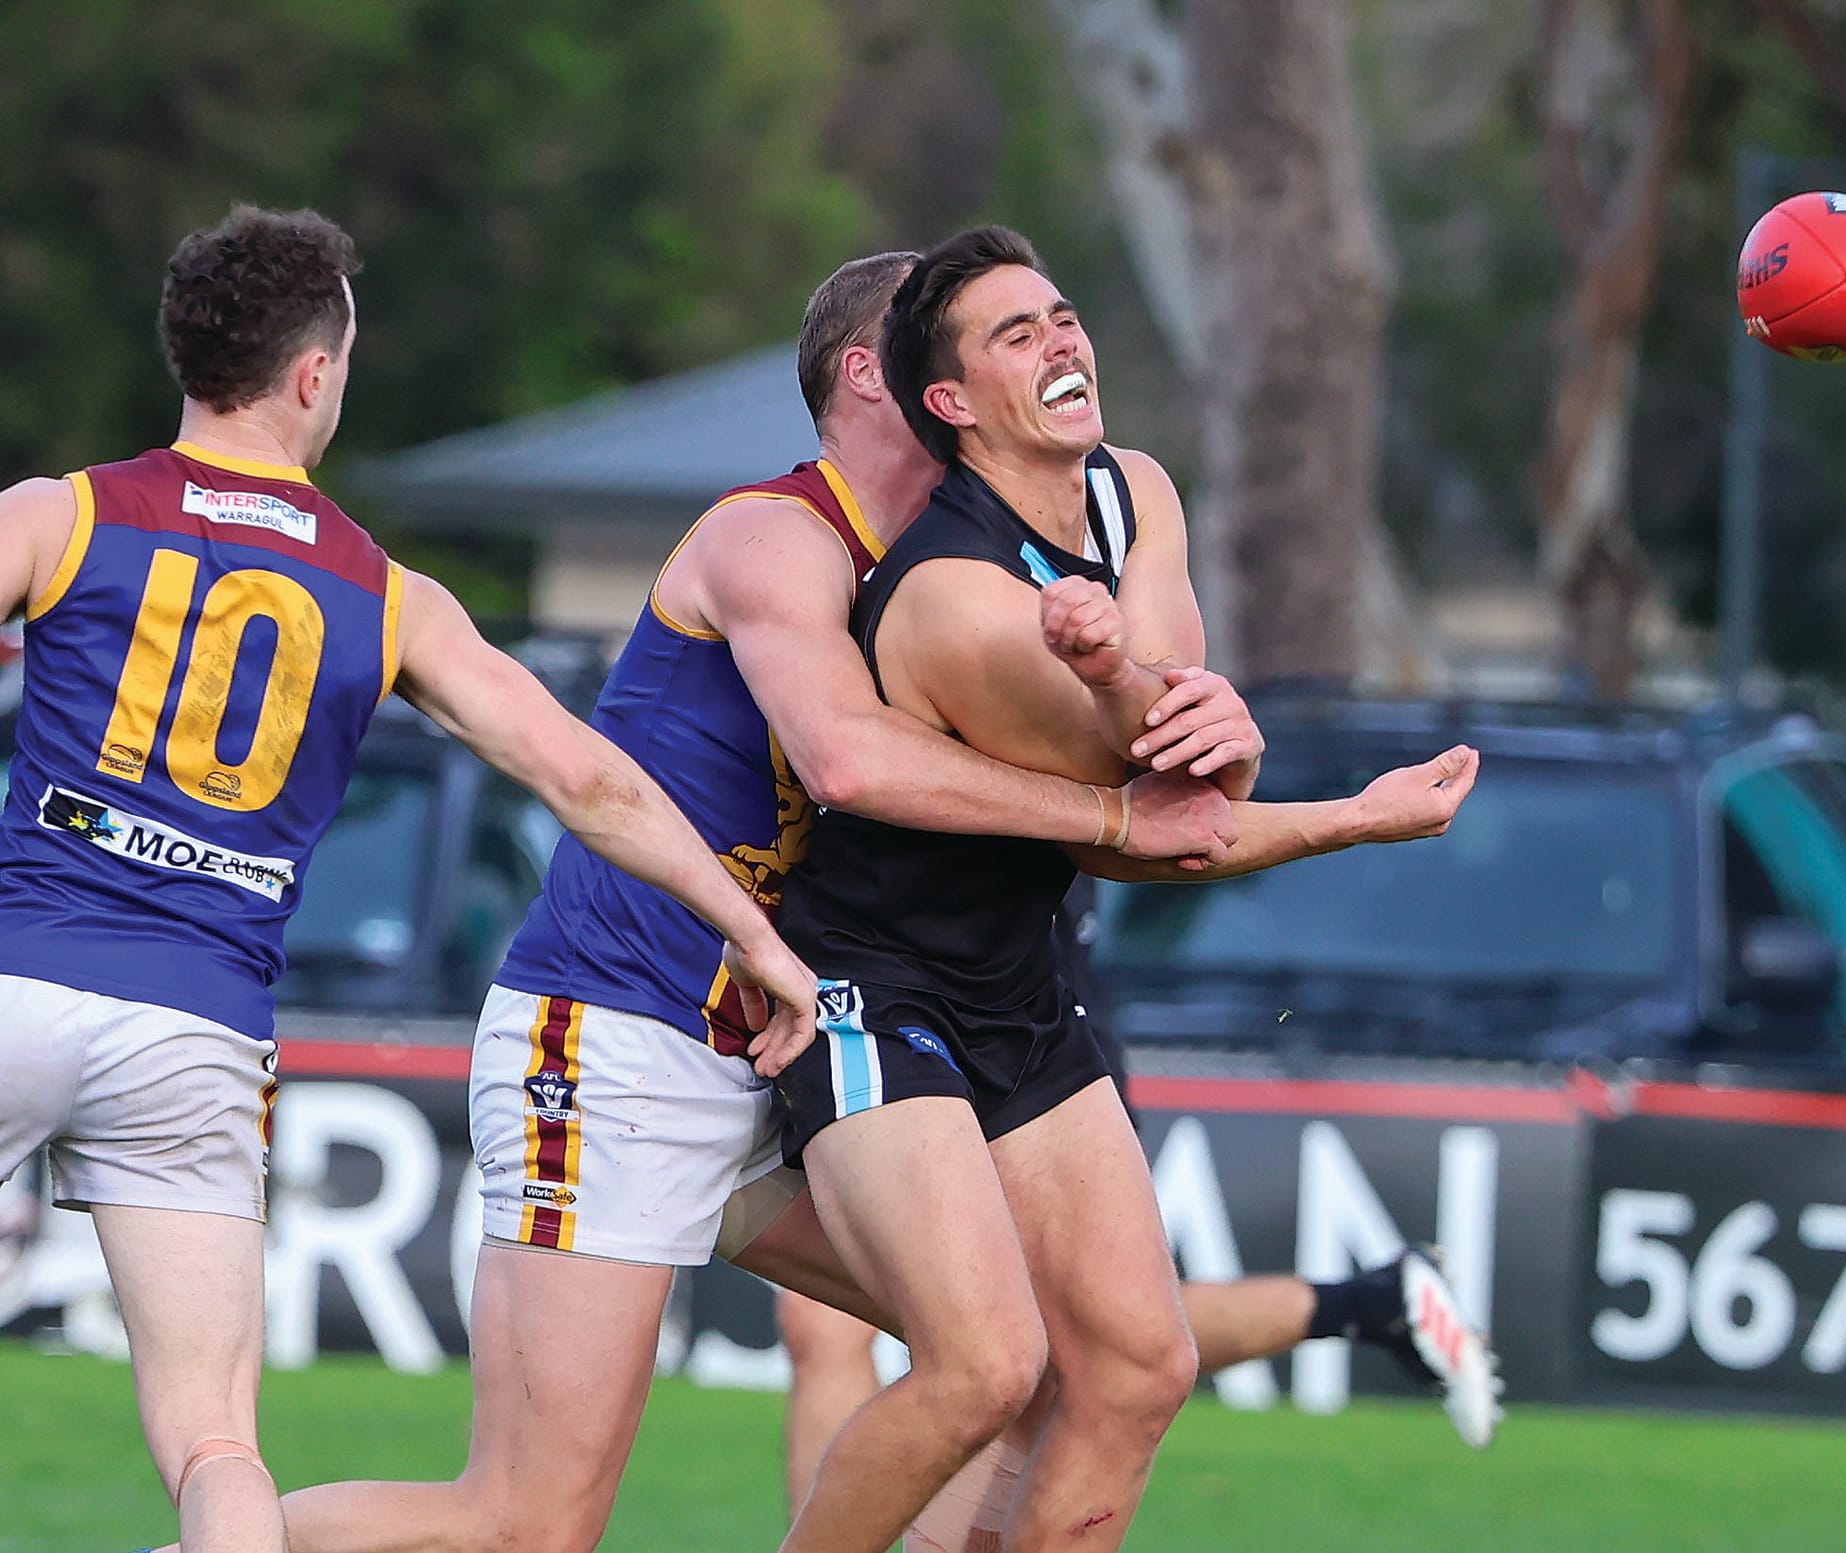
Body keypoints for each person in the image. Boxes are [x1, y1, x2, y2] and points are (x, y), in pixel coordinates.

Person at [167, 253, 1239, 1553]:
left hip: (761, 1048)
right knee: (521, 1523)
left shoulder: (958, 567)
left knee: (1031, 1368)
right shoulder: (775, 533)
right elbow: (849, 760)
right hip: (618, 1037)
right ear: (874, 374)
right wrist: (1119, 813)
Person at [0, 205, 822, 1553]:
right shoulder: (389, 597)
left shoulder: (65, 516)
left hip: (21, 977)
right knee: (215, 1442)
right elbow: (596, 786)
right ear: (314, 374)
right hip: (196, 1027)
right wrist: (758, 939)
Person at [768, 226, 1479, 1553]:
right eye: (1015, 335)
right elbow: (1157, 828)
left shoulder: (1135, 492)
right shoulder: (950, 599)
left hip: (1018, 986)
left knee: (1139, 1367)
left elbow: (1190, 735)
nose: (1062, 343)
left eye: (1064, 315)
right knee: (983, 1367)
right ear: (953, 403)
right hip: (870, 993)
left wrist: (1152, 695)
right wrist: (1360, 816)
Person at [775, 893, 1500, 1530]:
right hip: (890, 985)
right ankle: (1373, 1301)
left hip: (998, 1004)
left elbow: (1158, 803)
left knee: (1068, 1347)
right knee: (1014, 1344)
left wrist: (1338, 820)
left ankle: (1371, 1302)